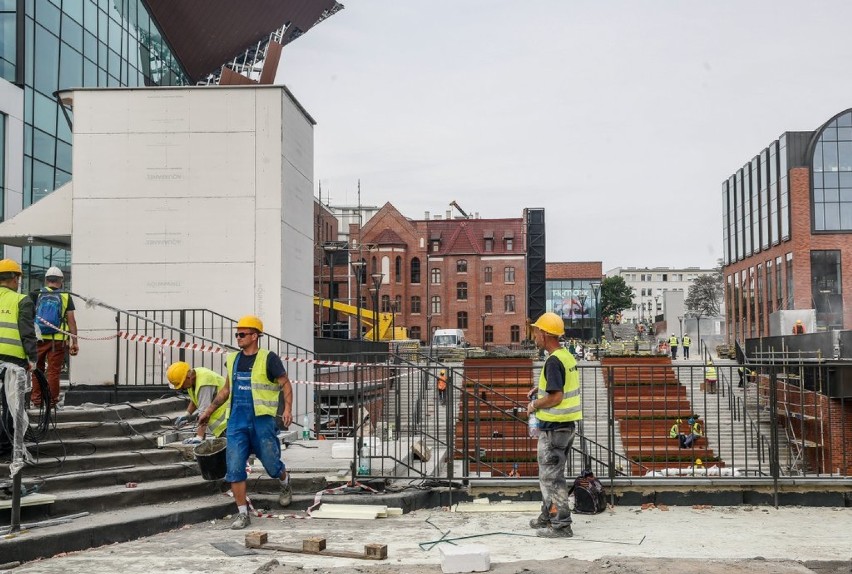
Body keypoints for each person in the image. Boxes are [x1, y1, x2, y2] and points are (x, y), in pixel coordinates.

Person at [198, 315, 293, 530]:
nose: (238, 337)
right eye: (237, 334)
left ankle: (285, 482)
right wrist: (208, 411)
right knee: (234, 468)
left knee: (272, 465)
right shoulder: (232, 360)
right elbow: (226, 389)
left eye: (242, 334)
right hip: (237, 422)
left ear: (255, 336)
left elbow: (285, 384)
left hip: (262, 422)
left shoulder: (269, 359)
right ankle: (242, 513)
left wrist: (287, 409)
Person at [526, 311, 581, 538]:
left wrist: (534, 404)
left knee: (551, 477)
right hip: (565, 426)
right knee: (550, 474)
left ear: (545, 334)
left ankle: (561, 525)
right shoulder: (566, 356)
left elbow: (556, 396)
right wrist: (539, 391)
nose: (535, 336)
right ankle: (548, 515)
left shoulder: (553, 361)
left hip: (554, 427)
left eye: (537, 332)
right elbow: (559, 388)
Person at [0, 260, 38, 459]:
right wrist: (33, 358)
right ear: (15, 279)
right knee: (11, 404)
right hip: (13, 361)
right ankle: (6, 446)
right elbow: (27, 332)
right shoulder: (22, 300)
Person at [30, 267, 78, 408]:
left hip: (38, 338)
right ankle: (52, 402)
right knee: (53, 371)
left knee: (36, 370)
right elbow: (71, 321)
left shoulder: (36, 294)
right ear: (61, 281)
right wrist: (74, 342)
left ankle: (37, 401)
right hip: (57, 340)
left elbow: (28, 317)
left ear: (46, 280)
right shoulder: (65, 296)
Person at [166, 361, 228, 444]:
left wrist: (199, 437)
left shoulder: (204, 383)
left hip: (227, 423)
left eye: (181, 384)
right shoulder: (194, 378)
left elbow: (204, 412)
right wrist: (187, 414)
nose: (181, 388)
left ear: (188, 377)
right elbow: (195, 399)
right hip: (222, 425)